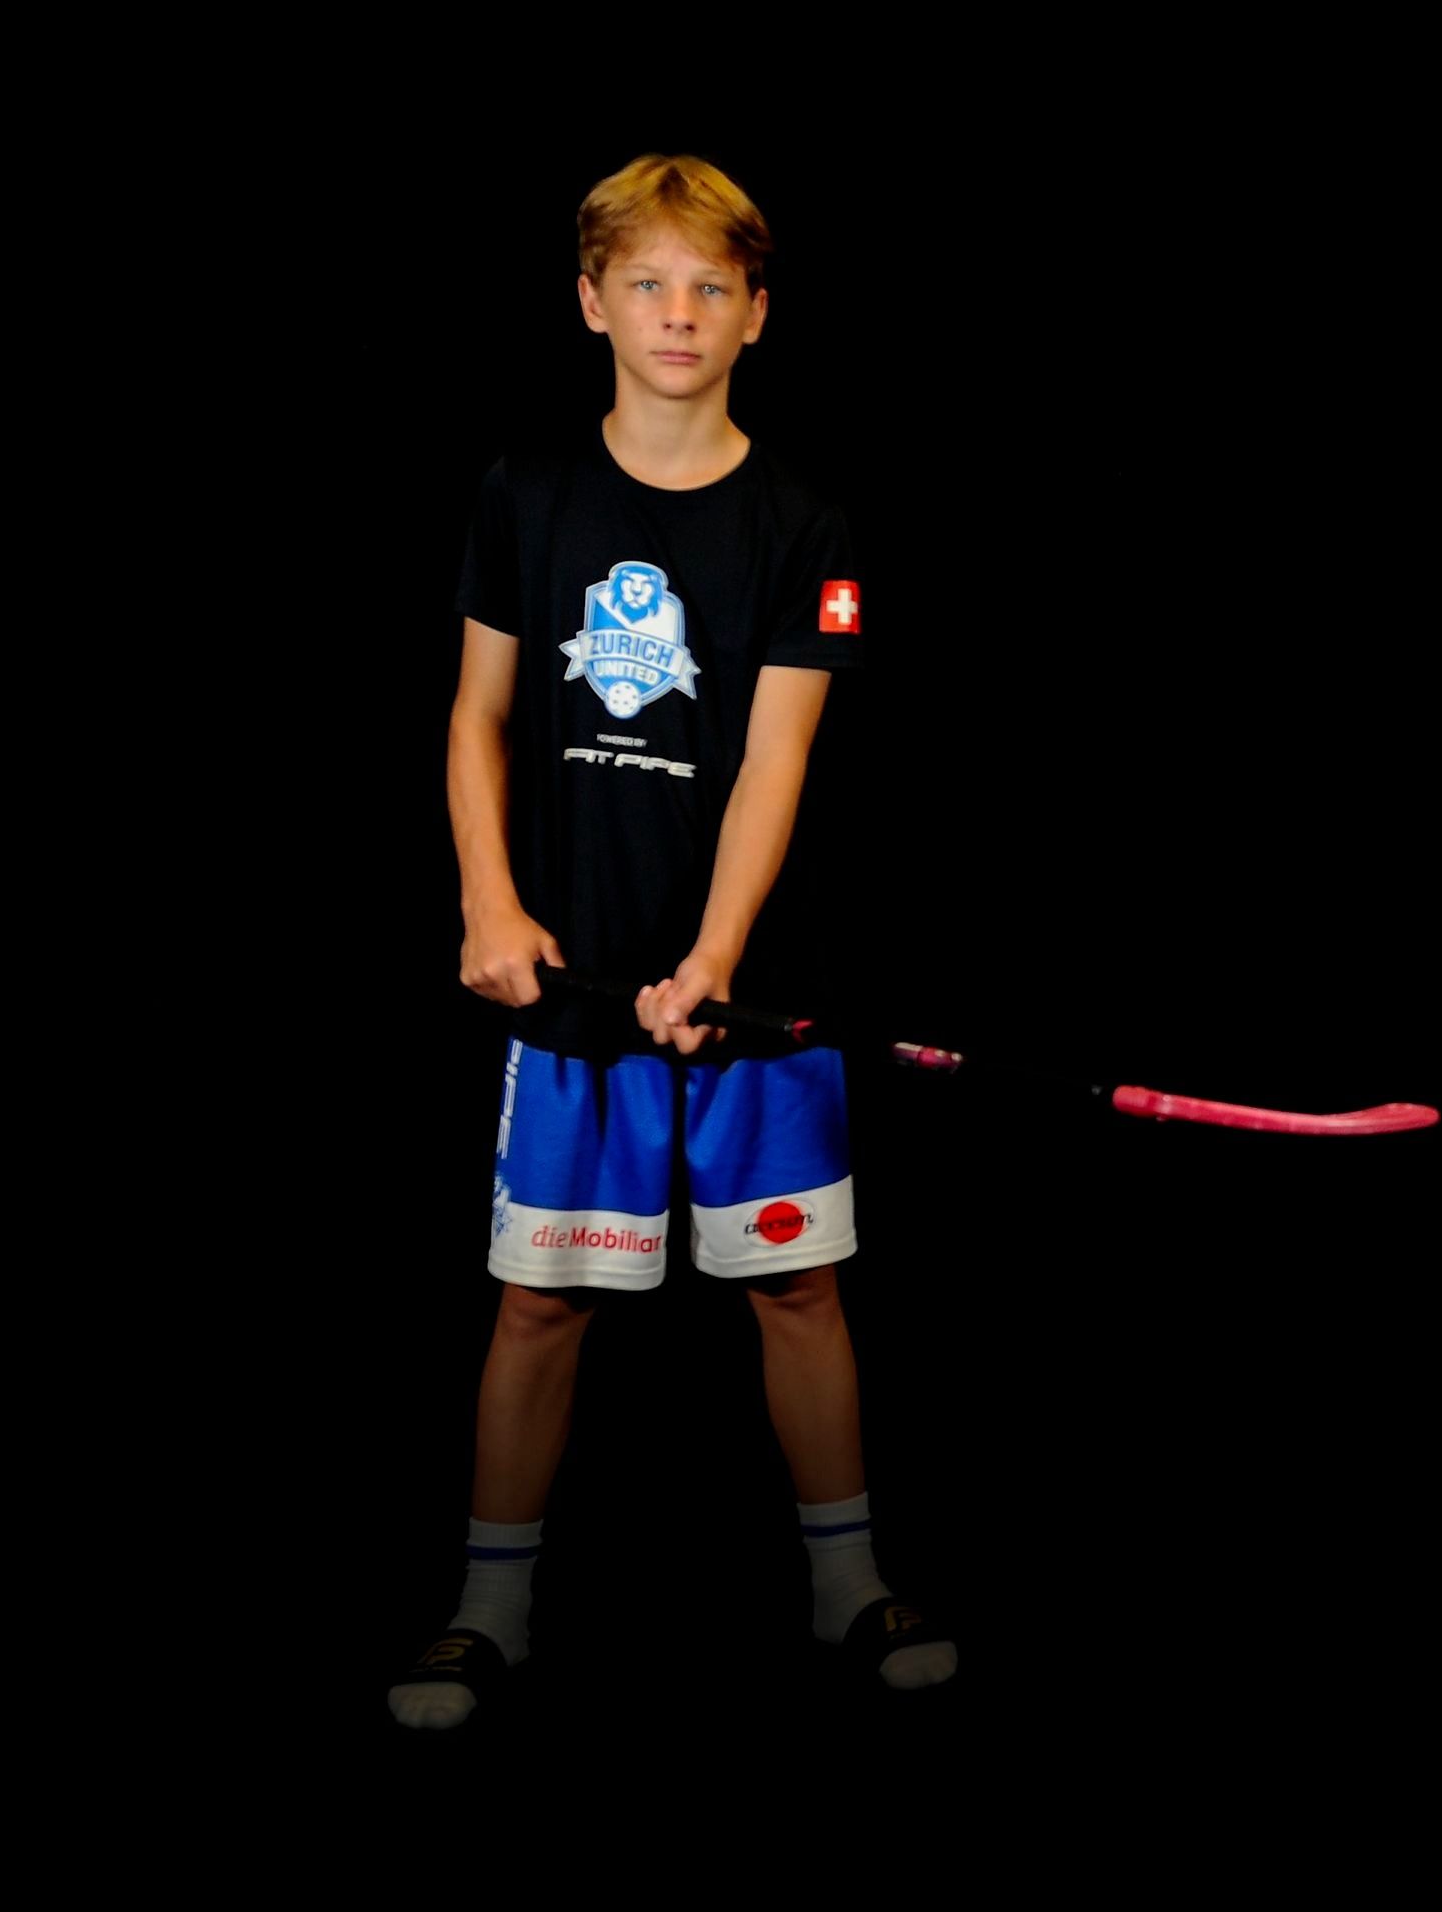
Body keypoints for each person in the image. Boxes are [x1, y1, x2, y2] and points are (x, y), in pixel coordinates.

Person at [390, 154, 957, 1731]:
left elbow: (777, 760)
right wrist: (487, 901)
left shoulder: (806, 524)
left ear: (758, 313)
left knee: (799, 1289)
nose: (678, 312)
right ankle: (488, 1608)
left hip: (758, 991)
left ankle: (849, 1582)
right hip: (571, 976)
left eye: (711, 285)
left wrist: (715, 957)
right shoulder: (524, 493)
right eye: (646, 282)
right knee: (537, 1303)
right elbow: (477, 715)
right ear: (592, 302)